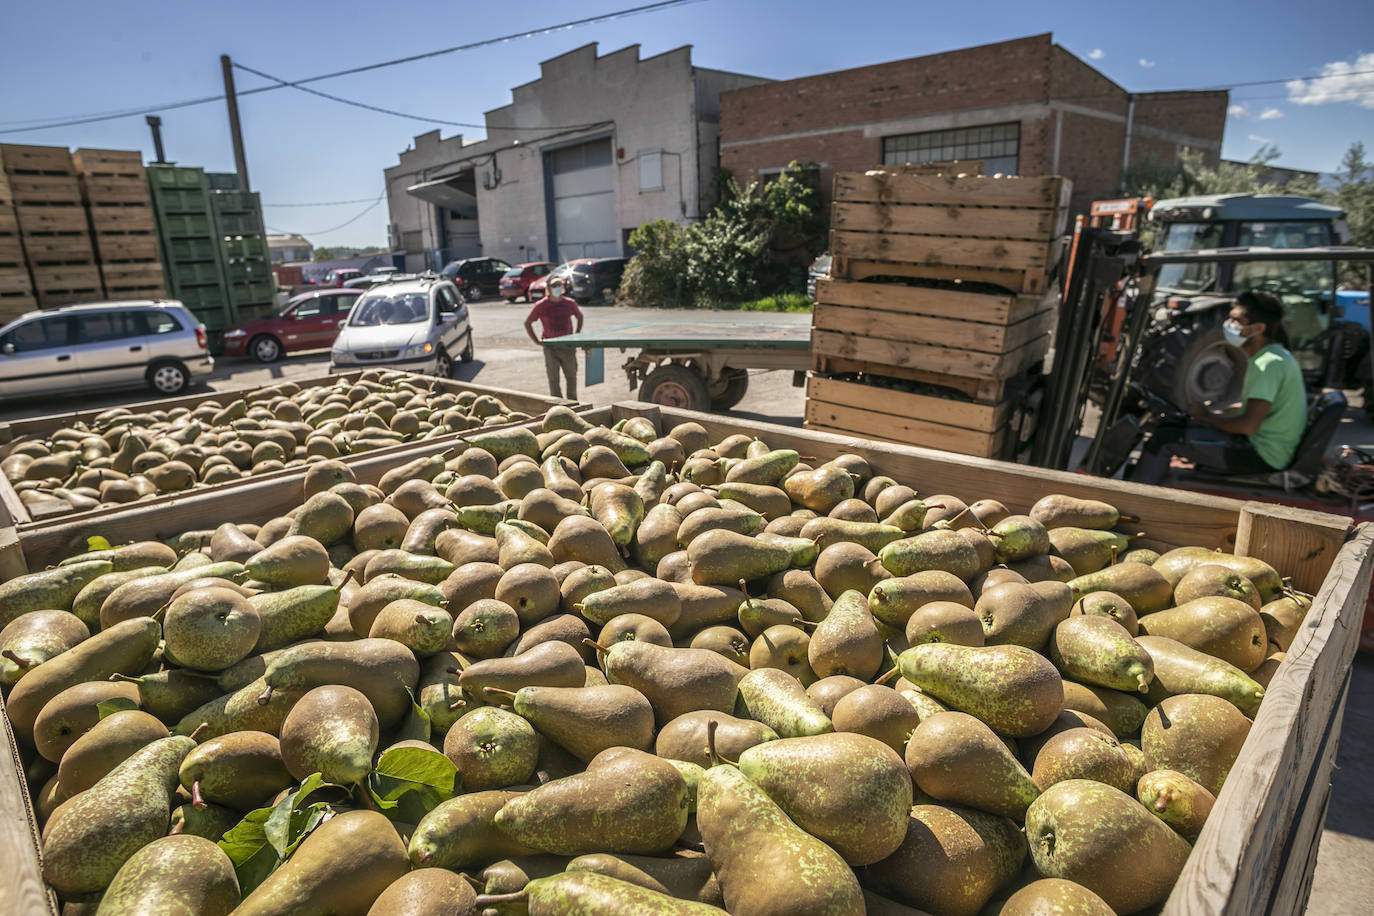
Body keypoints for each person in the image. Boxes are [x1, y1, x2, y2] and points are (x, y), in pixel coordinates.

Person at [1133, 290, 1307, 483]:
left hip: (1262, 455)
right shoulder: (1274, 356)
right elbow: (1256, 411)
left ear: (1258, 328)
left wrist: (1205, 416)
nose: (1229, 325)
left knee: (1165, 439)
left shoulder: (1268, 365)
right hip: (1262, 446)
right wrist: (1208, 415)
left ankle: (1135, 499)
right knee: (1171, 426)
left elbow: (1248, 426)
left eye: (1236, 321)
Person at [524, 277, 584, 398]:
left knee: (571, 377)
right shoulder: (541, 305)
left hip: (568, 346)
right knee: (553, 379)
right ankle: (558, 406)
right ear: (548, 289)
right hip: (550, 346)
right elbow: (528, 322)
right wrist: (536, 341)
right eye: (554, 286)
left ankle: (573, 404)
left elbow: (579, 316)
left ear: (562, 289)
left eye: (559, 286)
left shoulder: (569, 303)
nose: (557, 288)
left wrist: (577, 333)